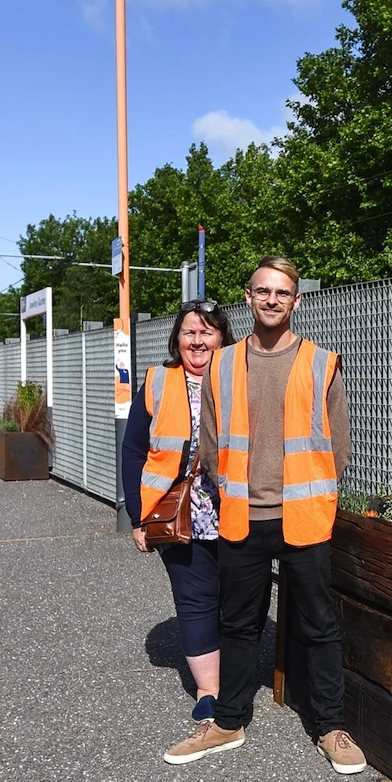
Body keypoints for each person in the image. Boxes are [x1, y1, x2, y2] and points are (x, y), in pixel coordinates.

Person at [173, 257, 364, 775]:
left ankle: (329, 727)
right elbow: (210, 444)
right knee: (237, 624)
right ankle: (229, 720)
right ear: (250, 298)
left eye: (282, 292)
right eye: (263, 291)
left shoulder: (322, 363)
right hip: (243, 515)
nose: (273, 300)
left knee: (319, 625)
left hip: (303, 516)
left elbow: (337, 445)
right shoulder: (223, 363)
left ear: (296, 301)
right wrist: (234, 482)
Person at [122, 301, 233, 750]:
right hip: (177, 511)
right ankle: (210, 691)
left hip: (236, 509)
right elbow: (133, 451)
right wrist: (137, 516)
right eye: (190, 332)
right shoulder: (157, 382)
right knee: (195, 599)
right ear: (177, 339)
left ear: (222, 340)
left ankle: (240, 676)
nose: (198, 341)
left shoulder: (237, 381)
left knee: (241, 595)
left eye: (207, 333)